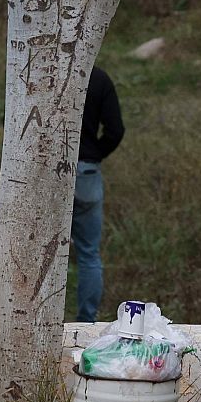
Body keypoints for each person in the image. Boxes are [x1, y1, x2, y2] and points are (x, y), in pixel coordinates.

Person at [73, 65, 125, 323]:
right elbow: (115, 130)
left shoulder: (44, 69)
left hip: (44, 172)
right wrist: (93, 155)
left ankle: (37, 319)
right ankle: (85, 322)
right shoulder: (98, 77)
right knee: (88, 254)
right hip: (87, 173)